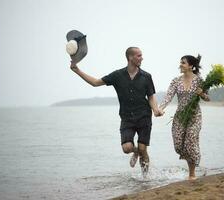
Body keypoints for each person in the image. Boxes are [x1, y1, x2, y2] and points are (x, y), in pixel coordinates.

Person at [70, 47, 162, 177]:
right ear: (130, 57)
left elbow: (151, 97)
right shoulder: (117, 75)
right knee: (127, 148)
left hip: (144, 116)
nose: (142, 58)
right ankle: (135, 152)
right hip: (127, 117)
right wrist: (77, 70)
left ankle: (145, 178)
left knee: (143, 149)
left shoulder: (146, 76)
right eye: (139, 56)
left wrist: (156, 109)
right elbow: (95, 83)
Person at [159, 54, 210, 180]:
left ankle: (192, 174)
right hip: (180, 116)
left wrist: (202, 94)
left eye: (183, 62)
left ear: (191, 66)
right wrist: (160, 108)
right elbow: (168, 96)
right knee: (179, 146)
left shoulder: (199, 80)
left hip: (194, 116)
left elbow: (208, 98)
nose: (180, 65)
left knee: (190, 141)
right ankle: (192, 163)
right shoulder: (176, 81)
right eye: (180, 62)